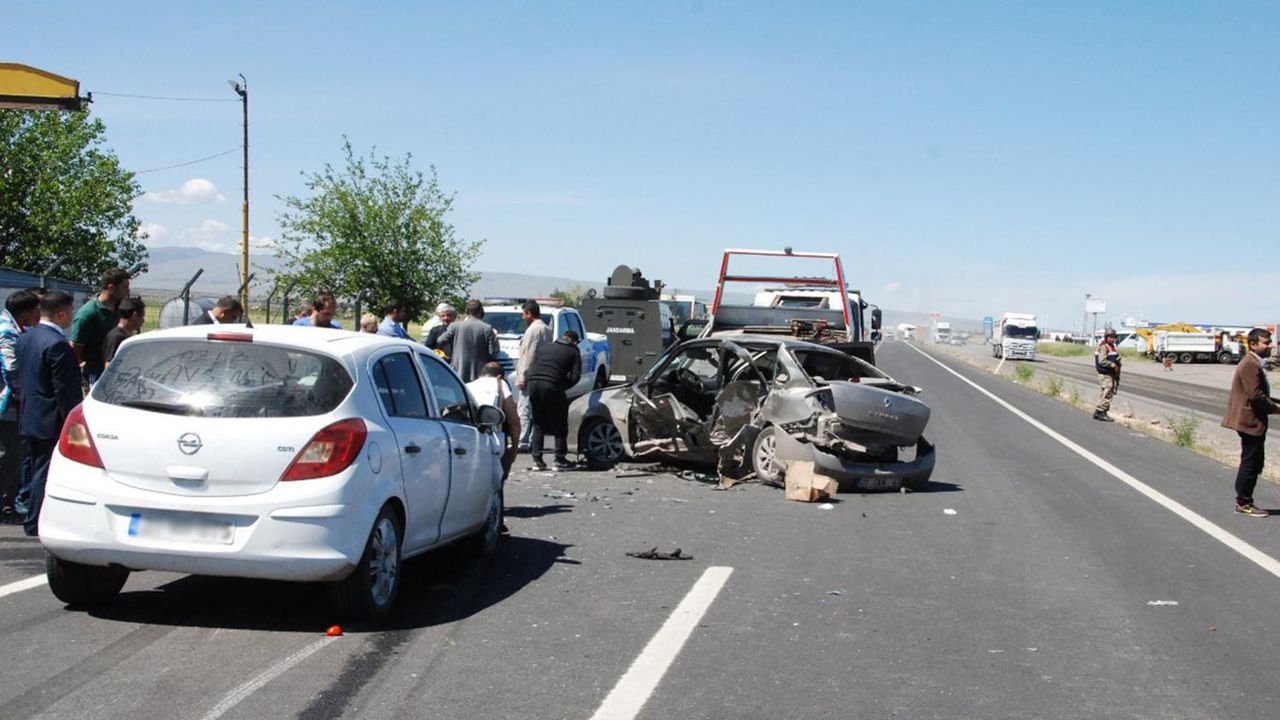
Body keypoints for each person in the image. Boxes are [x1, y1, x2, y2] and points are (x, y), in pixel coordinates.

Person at [14, 291, 82, 536]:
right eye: (71, 311)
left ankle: (32, 516)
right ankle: (35, 521)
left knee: (36, 468)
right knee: (46, 471)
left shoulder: (26, 338)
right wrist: (74, 425)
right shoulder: (57, 345)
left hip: (30, 415)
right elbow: (65, 391)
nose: (72, 316)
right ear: (61, 313)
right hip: (51, 420)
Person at [1222, 328, 1277, 517]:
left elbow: (1258, 394)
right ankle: (1243, 503)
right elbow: (1256, 396)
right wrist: (1276, 408)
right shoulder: (1250, 364)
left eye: (1269, 342)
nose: (1269, 346)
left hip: (1251, 421)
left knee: (1255, 461)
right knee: (1250, 462)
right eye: (1265, 343)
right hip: (1249, 421)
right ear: (1253, 344)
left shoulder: (1253, 362)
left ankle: (1244, 501)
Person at [1, 290, 40, 519]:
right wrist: (24, 395)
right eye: (37, 310)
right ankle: (4, 505)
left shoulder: (16, 328)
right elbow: (10, 368)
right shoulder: (6, 332)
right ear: (25, 314)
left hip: (11, 404)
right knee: (8, 454)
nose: (39, 314)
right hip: (7, 405)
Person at [525, 330, 581, 471]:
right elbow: (575, 377)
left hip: (532, 382)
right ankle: (559, 459)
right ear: (574, 341)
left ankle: (537, 460)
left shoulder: (546, 347)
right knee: (559, 423)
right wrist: (561, 386)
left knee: (538, 422)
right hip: (552, 384)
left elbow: (532, 364)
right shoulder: (574, 351)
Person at [69, 267, 131, 387]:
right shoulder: (88, 313)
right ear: (111, 288)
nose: (128, 291)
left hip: (116, 374)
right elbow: (76, 346)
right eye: (125, 287)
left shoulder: (120, 309)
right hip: (95, 375)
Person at [466, 361, 521, 478]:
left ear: (480, 375)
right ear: (500, 376)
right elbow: (514, 421)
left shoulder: (467, 386)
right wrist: (514, 449)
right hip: (491, 442)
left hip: (468, 440)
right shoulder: (499, 383)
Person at [515, 299, 552, 452]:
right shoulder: (546, 329)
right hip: (541, 375)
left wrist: (523, 377)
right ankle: (533, 440)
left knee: (524, 410)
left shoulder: (533, 331)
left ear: (529, 313)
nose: (523, 317)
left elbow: (528, 356)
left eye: (524, 314)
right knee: (535, 410)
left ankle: (522, 440)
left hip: (530, 376)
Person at [437, 300, 498, 382]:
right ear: (481, 311)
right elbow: (492, 353)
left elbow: (440, 340)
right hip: (479, 373)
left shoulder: (455, 326)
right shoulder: (487, 328)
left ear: (466, 312)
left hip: (458, 371)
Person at [103, 297, 146, 368]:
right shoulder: (117, 337)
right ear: (135, 315)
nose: (143, 321)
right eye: (142, 316)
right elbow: (109, 365)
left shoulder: (126, 336)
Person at [1093, 329, 1121, 421]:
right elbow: (1102, 361)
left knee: (1104, 392)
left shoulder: (1111, 346)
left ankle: (1100, 411)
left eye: (1113, 337)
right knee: (1108, 391)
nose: (1112, 339)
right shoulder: (1104, 347)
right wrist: (1113, 365)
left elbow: (1116, 358)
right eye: (1110, 337)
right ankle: (1101, 411)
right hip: (1104, 373)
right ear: (1106, 337)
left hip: (1110, 373)